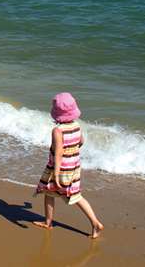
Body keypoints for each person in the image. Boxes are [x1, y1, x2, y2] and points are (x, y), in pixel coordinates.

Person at [34, 92, 104, 239]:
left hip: (59, 168)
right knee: (65, 194)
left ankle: (94, 223)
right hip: (74, 166)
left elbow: (58, 152)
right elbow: (81, 141)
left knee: (58, 194)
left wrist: (57, 173)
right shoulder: (77, 126)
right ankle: (50, 222)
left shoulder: (57, 131)